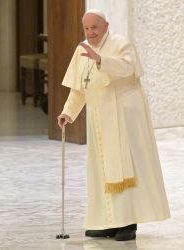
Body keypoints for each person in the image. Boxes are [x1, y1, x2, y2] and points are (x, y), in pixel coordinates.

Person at [57, 9, 170, 241]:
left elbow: (128, 68)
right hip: (98, 119)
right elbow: (79, 88)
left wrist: (101, 60)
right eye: (86, 28)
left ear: (106, 25)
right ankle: (108, 222)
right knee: (101, 171)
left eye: (94, 27)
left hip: (122, 118)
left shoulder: (121, 44)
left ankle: (128, 223)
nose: (90, 32)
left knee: (124, 168)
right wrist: (68, 113)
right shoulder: (81, 50)